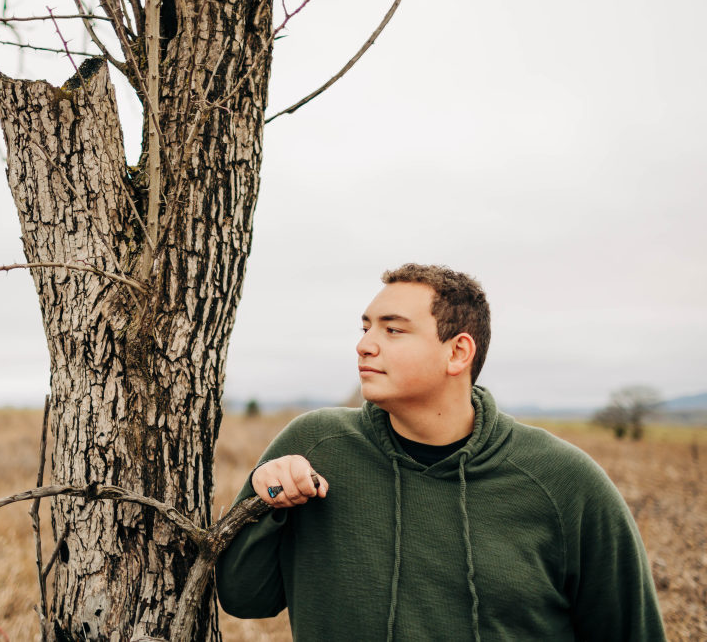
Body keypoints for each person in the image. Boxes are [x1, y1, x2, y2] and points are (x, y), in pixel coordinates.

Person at [216, 263, 665, 641]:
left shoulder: (563, 481)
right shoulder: (316, 446)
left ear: (458, 352)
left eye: (393, 330)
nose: (364, 344)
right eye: (366, 327)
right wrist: (268, 501)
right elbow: (242, 598)